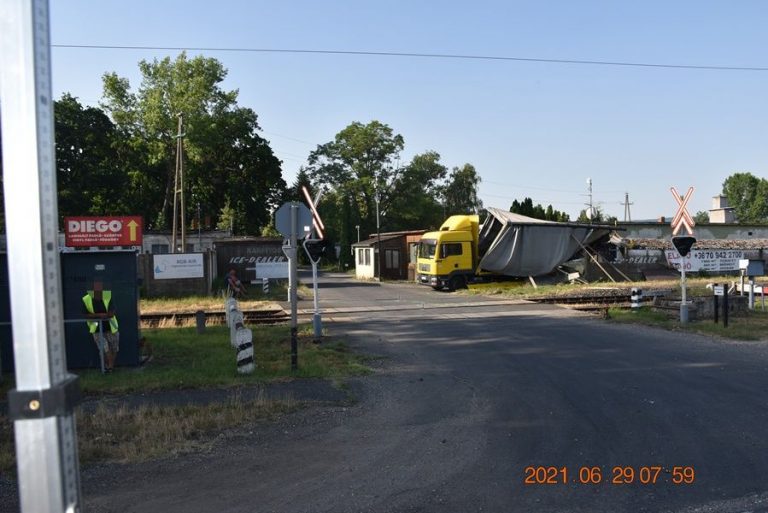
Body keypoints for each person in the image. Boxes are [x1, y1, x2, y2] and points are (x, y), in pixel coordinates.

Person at [82, 278, 119, 373]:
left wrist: (96, 315)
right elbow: (85, 315)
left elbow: (111, 313)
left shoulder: (108, 296)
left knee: (114, 349)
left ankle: (109, 367)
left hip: (111, 326)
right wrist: (100, 315)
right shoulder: (86, 299)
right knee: (104, 349)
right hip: (96, 328)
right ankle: (109, 368)